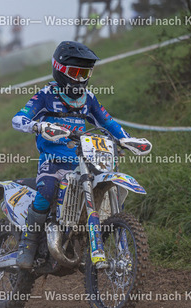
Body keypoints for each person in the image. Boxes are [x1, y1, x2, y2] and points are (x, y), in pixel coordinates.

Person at [11, 41, 134, 269]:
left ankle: (96, 240)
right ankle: (27, 245)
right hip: (53, 162)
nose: (80, 79)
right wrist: (37, 126)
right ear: (61, 70)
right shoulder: (46, 95)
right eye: (75, 73)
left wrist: (126, 139)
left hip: (83, 162)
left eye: (84, 73)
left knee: (108, 192)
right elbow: (18, 119)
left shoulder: (88, 98)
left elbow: (107, 122)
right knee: (46, 191)